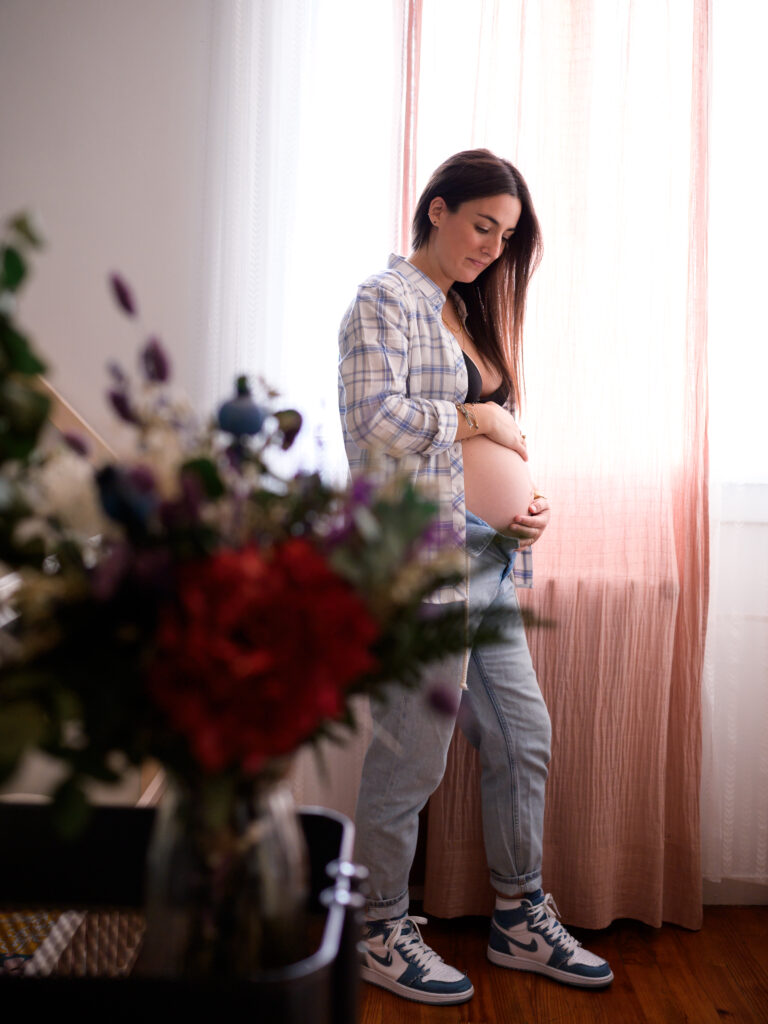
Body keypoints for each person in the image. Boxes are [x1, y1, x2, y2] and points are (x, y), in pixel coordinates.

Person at [337, 149, 613, 1006]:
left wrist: (522, 504)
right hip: (424, 557)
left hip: (489, 559)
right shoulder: (382, 302)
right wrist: (477, 415)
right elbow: (374, 422)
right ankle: (379, 930)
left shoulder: (460, 310)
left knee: (523, 739)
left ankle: (519, 915)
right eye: (483, 226)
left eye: (507, 236)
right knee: (410, 754)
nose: (494, 247)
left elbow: (494, 443)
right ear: (436, 210)